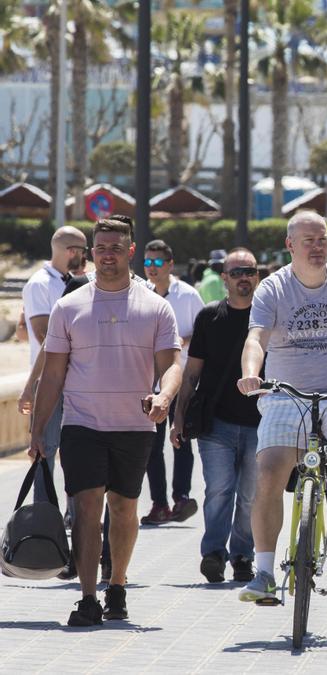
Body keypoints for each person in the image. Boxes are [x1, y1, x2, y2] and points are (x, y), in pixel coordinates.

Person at [29, 217, 182, 626]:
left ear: (131, 251)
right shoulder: (68, 306)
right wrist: (39, 431)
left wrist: (165, 396)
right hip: (81, 424)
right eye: (101, 248)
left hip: (134, 426)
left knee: (124, 508)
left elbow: (171, 365)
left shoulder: (156, 307)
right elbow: (54, 374)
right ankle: (88, 596)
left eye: (116, 247)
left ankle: (117, 584)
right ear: (90, 253)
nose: (107, 254)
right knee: (86, 508)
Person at [236, 211, 327, 602]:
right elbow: (256, 339)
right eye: (308, 241)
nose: (317, 248)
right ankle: (264, 573)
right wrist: (251, 373)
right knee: (268, 473)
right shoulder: (272, 288)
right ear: (290, 245)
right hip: (286, 395)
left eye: (323, 240)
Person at [171, 248, 262, 584]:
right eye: (236, 272)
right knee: (219, 490)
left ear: (258, 276)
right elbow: (191, 373)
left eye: (249, 271)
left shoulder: (266, 319)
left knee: (251, 495)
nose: (243, 277)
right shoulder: (209, 317)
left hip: (260, 423)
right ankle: (213, 554)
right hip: (217, 423)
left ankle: (242, 556)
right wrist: (179, 417)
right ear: (224, 278)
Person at [140, 239, 206, 525]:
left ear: (169, 264)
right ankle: (159, 503)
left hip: (181, 381)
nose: (151, 268)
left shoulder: (189, 296)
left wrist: (180, 341)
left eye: (157, 262)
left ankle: (181, 498)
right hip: (148, 383)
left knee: (181, 439)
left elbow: (204, 335)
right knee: (151, 447)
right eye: (147, 262)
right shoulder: (139, 293)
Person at [20, 225, 87, 503]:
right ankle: (43, 514)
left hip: (76, 381)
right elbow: (44, 335)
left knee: (77, 452)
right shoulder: (40, 284)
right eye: (83, 251)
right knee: (45, 450)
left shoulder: (70, 281)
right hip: (50, 380)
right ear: (71, 251)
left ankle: (75, 514)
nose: (86, 257)